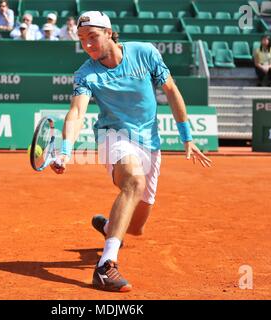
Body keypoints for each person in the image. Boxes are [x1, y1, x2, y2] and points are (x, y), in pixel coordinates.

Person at [50, 11, 212, 292]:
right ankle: (105, 266)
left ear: (110, 33)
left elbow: (171, 90)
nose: (87, 44)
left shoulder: (145, 53)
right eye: (81, 39)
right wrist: (65, 151)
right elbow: (76, 112)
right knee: (133, 181)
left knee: (136, 228)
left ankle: (110, 226)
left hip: (149, 140)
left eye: (92, 37)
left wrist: (187, 136)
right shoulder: (85, 74)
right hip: (113, 136)